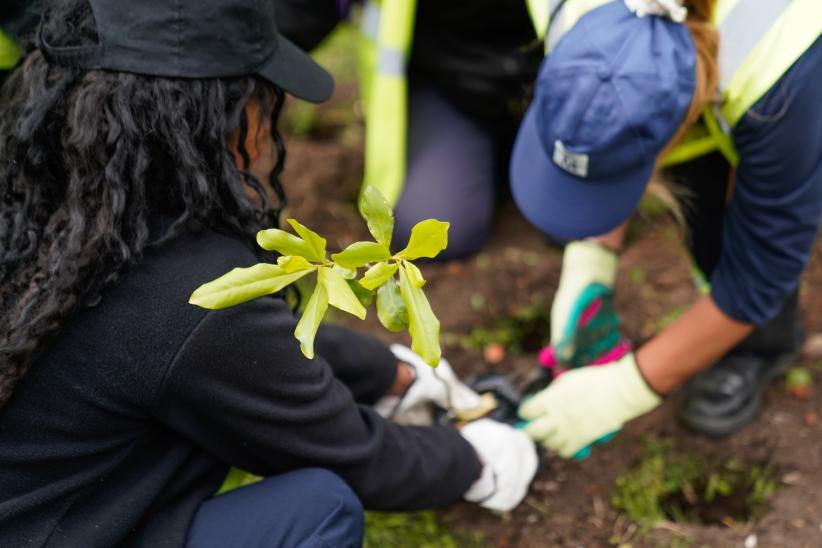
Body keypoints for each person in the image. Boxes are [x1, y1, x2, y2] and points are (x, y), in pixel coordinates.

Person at [0, 0, 538, 546]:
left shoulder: (49, 208)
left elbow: (244, 351)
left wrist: (387, 374)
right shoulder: (189, 294)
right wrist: (474, 461)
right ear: (216, 117)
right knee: (316, 513)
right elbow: (357, 456)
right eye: (263, 95)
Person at [510, 0, 822, 457]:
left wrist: (628, 387)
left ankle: (764, 348)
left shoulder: (779, 74)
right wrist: (591, 260)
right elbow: (608, 111)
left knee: (739, 227)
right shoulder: (566, 15)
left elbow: (764, 268)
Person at [274, 0, 543, 260]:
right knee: (432, 228)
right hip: (449, 82)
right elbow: (300, 13)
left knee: (572, 222)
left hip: (559, 85)